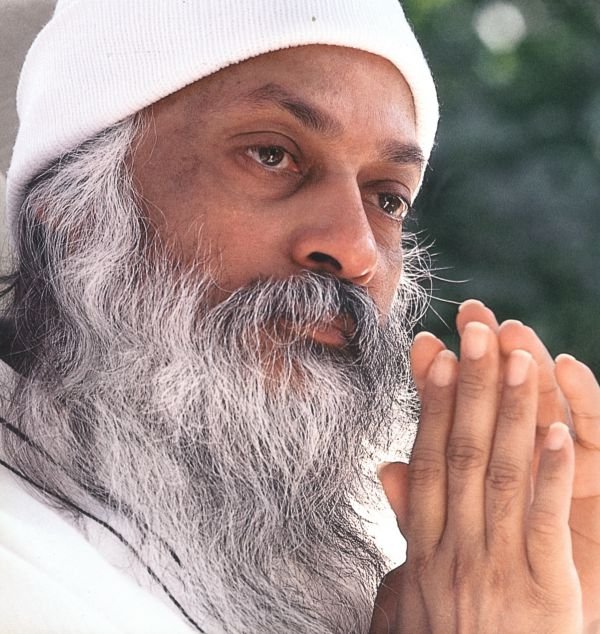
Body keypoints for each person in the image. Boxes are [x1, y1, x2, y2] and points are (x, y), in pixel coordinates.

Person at [1, 1, 598, 633]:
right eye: (271, 154)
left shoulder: (399, 542)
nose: (356, 249)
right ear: (74, 208)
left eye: (387, 199)